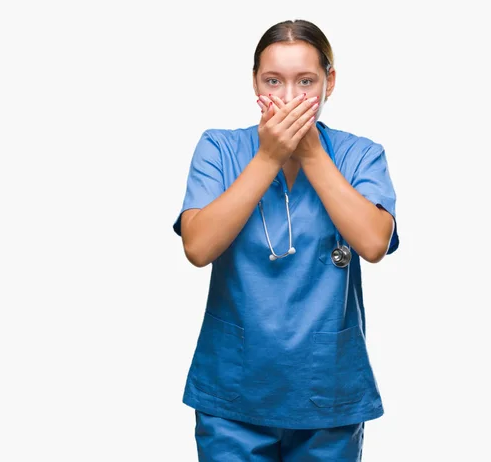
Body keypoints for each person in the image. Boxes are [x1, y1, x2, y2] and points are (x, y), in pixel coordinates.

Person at [173, 18, 400, 461]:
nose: (289, 97)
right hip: (233, 391)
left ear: (329, 83)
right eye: (273, 81)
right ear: (254, 81)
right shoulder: (219, 149)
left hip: (326, 390)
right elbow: (198, 248)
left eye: (306, 82)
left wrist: (311, 153)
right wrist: (269, 156)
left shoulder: (360, 155)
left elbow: (373, 244)